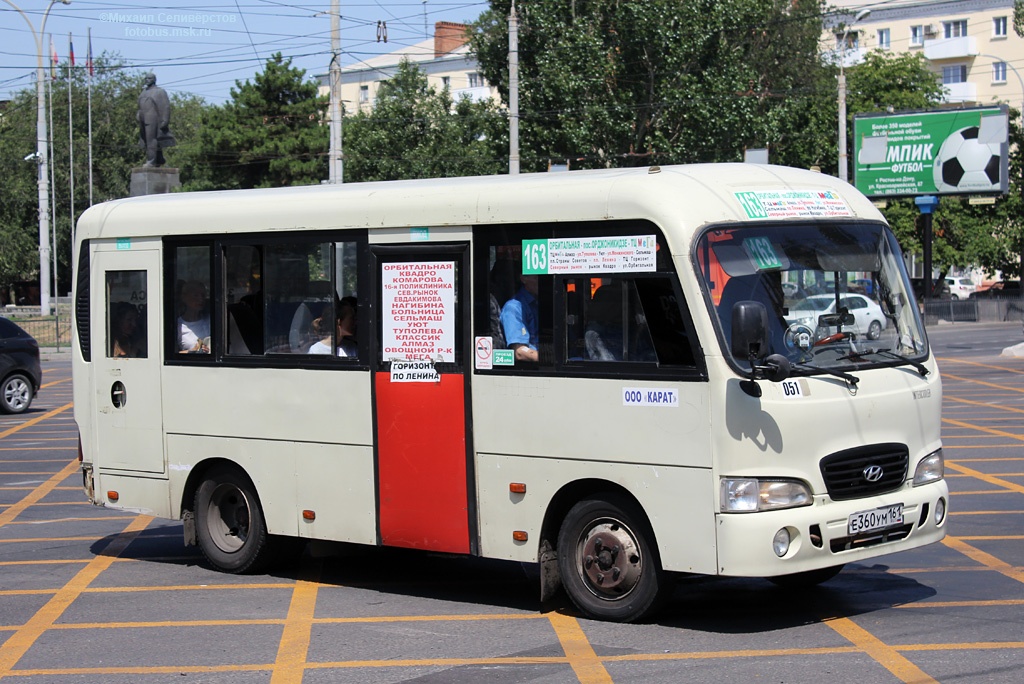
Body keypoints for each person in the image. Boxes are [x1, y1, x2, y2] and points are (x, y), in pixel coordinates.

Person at [137, 72, 176, 167]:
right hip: (143, 119)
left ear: (154, 80)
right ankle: (159, 159)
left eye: (149, 78)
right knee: (146, 140)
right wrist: (138, 115)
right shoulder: (144, 92)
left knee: (152, 139)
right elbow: (140, 105)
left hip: (153, 119)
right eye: (146, 78)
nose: (147, 80)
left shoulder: (159, 91)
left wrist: (165, 120)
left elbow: (165, 106)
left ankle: (151, 161)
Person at [500, 273, 539, 362]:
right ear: (523, 278)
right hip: (530, 368)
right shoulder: (513, 308)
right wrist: (551, 359)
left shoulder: (539, 303)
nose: (542, 283)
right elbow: (520, 352)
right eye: (536, 278)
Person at [177, 281, 210, 353]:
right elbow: (168, 355)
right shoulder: (178, 326)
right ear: (184, 297)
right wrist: (193, 351)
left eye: (203, 296)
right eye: (196, 295)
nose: (201, 299)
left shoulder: (211, 321)